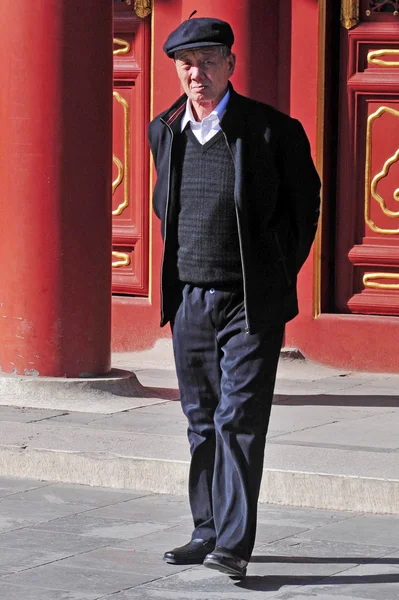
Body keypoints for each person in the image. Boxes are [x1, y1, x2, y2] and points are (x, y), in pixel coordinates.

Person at [148, 17, 320, 578]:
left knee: (239, 417)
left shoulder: (272, 131)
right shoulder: (164, 130)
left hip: (249, 300)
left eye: (207, 61)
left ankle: (234, 545)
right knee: (200, 419)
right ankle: (207, 530)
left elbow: (305, 207)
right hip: (191, 296)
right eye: (186, 64)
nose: (196, 74)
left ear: (230, 65)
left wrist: (274, 271)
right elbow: (165, 204)